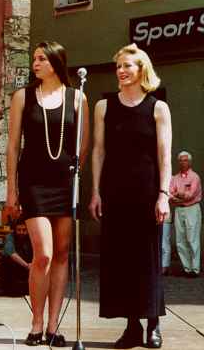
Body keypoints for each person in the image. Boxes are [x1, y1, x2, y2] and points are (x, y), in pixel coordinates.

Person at [5, 41, 89, 347]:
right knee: (43, 254)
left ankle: (53, 326)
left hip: (65, 182)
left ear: (55, 62)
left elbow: (82, 146)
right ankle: (36, 323)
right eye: (34, 59)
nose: (35, 63)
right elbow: (13, 146)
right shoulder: (22, 97)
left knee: (63, 254)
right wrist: (11, 191)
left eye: (41, 58)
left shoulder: (77, 97)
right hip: (33, 183)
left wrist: (73, 175)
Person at [89, 43, 171, 349]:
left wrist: (163, 194)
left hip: (147, 192)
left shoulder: (158, 107)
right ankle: (131, 326)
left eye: (128, 66)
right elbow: (99, 151)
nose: (121, 71)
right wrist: (95, 191)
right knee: (121, 260)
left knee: (147, 259)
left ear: (141, 70)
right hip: (114, 191)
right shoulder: (104, 107)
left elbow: (165, 155)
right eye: (118, 67)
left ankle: (153, 324)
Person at [169, 151, 201, 278]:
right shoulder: (174, 178)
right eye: (181, 160)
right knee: (180, 240)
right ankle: (187, 268)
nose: (183, 163)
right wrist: (178, 196)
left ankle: (195, 268)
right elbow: (170, 194)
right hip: (179, 210)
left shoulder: (195, 177)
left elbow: (190, 195)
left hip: (191, 209)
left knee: (192, 239)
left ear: (190, 162)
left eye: (185, 160)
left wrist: (178, 194)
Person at [0, 219, 32, 297]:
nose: (21, 232)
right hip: (12, 276)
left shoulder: (31, 237)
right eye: (19, 230)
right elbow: (11, 253)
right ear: (15, 230)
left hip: (26, 274)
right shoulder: (10, 237)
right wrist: (27, 266)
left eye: (24, 230)